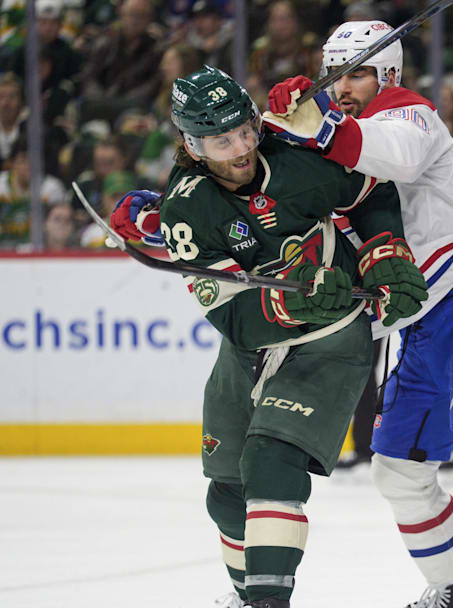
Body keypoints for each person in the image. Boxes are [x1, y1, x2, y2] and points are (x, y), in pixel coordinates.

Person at [260, 20, 453, 608]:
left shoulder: (411, 114)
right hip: (417, 320)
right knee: (397, 471)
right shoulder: (322, 133)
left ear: (390, 75)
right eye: (336, 75)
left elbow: (391, 156)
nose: (345, 87)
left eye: (360, 73)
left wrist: (313, 124)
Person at [109, 65, 429, 608]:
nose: (239, 148)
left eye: (243, 130)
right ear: (191, 145)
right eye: (220, 139)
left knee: (270, 461)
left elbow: (371, 192)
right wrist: (289, 298)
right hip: (248, 348)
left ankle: (265, 601)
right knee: (227, 491)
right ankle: (247, 594)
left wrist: (382, 252)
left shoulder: (295, 160)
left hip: (331, 336)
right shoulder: (187, 209)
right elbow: (231, 316)